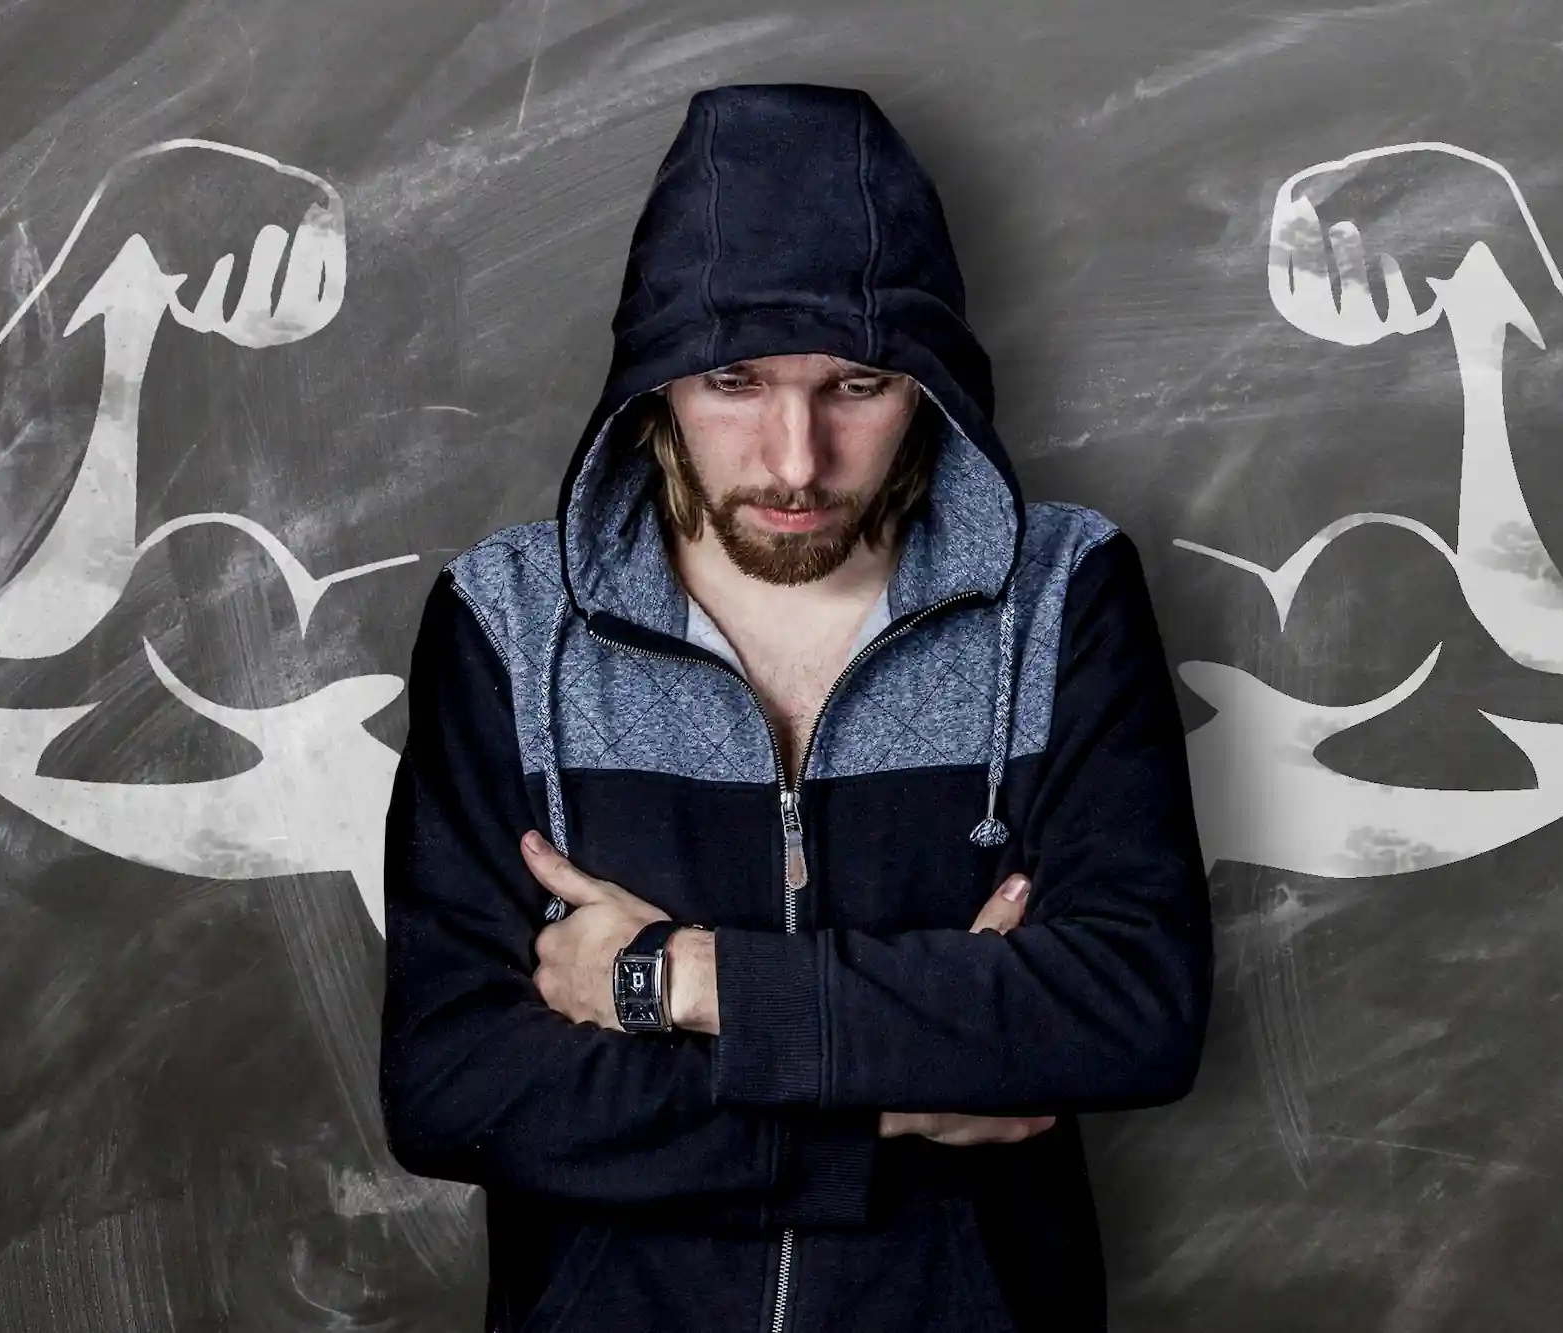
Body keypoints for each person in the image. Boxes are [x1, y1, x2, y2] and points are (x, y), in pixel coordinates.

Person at [379, 81, 1213, 1333]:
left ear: (927, 385)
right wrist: (884, 1111)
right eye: (732, 381)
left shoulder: (1061, 596)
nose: (792, 460)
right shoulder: (506, 620)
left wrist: (684, 982)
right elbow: (452, 1086)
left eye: (856, 386)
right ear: (654, 382)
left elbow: (1127, 1012)